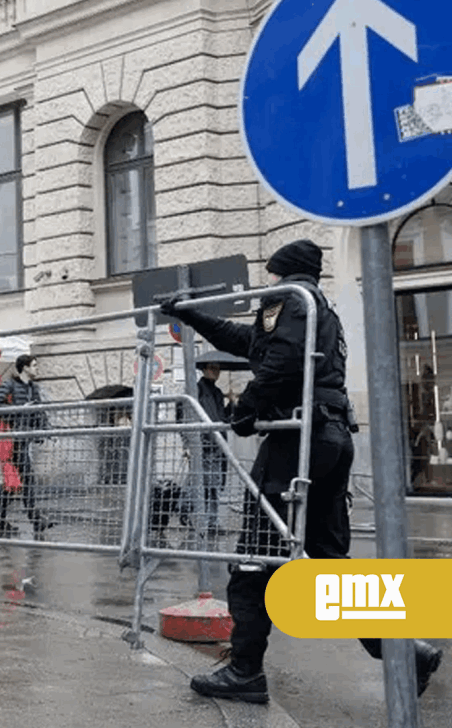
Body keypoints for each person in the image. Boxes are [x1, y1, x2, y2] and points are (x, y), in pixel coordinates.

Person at [162, 239, 442, 703]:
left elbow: (280, 362)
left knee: (255, 561)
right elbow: (251, 344)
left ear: (282, 271)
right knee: (329, 565)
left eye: (270, 273)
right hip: (331, 438)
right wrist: (192, 314)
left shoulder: (290, 297)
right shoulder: (316, 308)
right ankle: (406, 652)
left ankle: (245, 673)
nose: (268, 282)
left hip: (298, 441)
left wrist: (245, 411)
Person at [0, 355, 53, 537]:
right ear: (24, 367)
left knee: (13, 483)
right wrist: (19, 410)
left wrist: (44, 429)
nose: (37, 369)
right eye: (34, 365)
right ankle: (35, 521)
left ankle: (2, 522)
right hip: (11, 439)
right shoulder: (9, 385)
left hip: (24, 439)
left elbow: (39, 411)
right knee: (24, 480)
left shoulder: (33, 388)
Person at [185, 361, 234, 536]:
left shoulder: (217, 393)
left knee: (213, 485)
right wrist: (189, 443)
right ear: (204, 369)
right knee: (201, 485)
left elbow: (222, 418)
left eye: (218, 369)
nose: (216, 372)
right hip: (203, 445)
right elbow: (183, 415)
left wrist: (233, 405)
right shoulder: (195, 390)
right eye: (212, 368)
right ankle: (194, 517)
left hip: (217, 445)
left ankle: (211, 521)